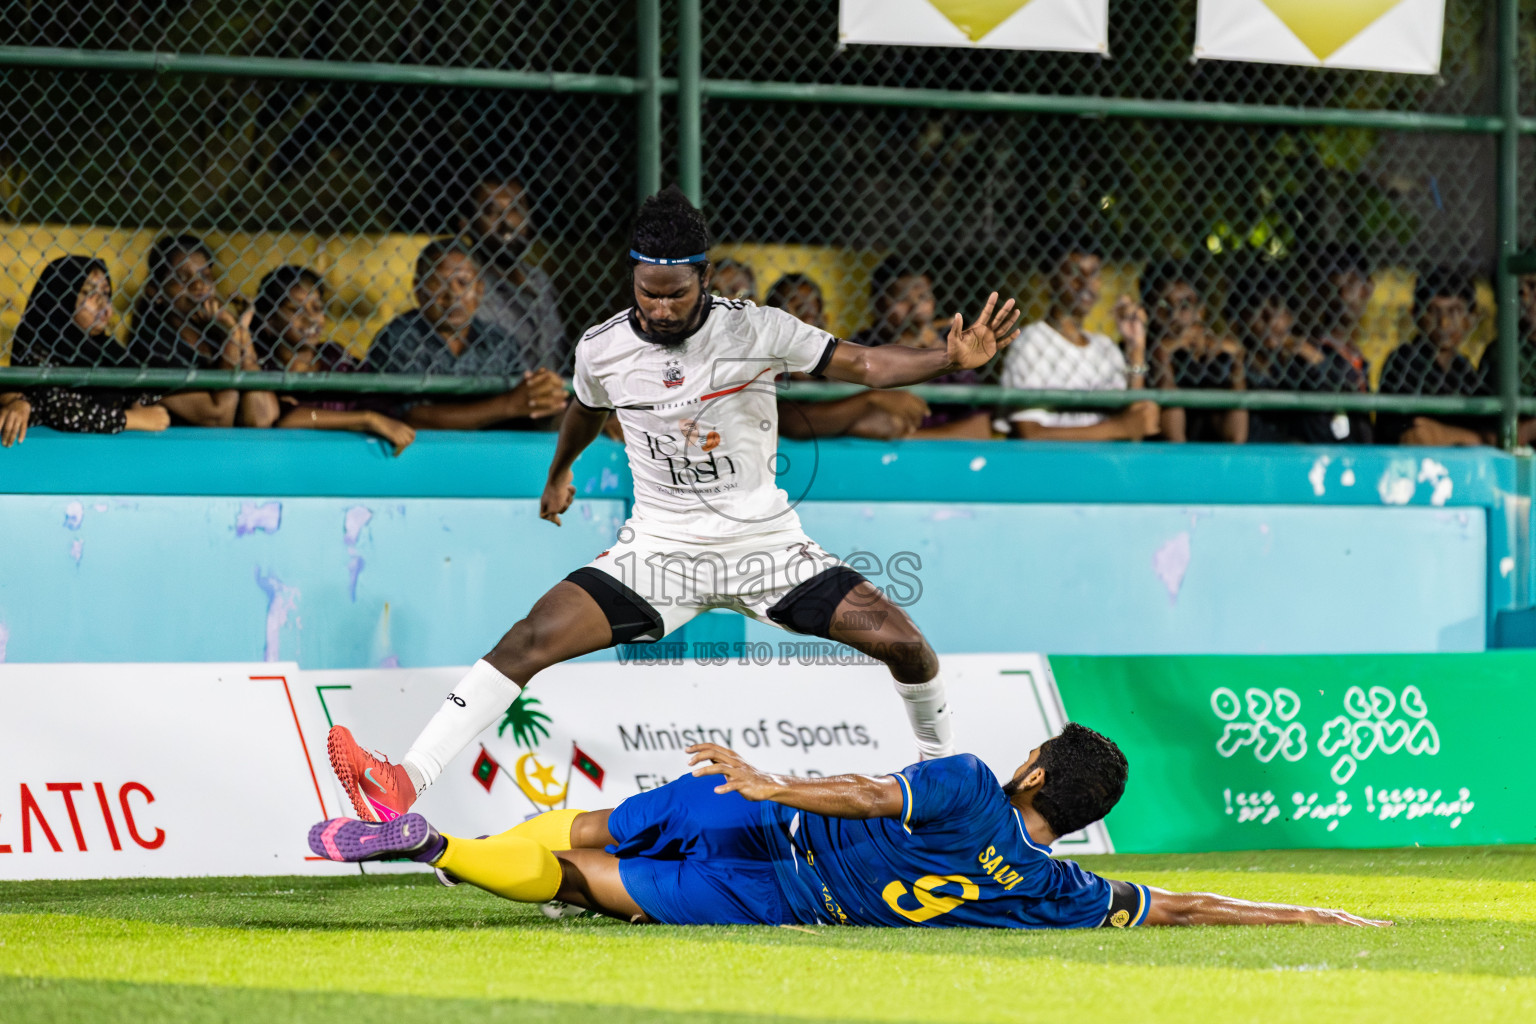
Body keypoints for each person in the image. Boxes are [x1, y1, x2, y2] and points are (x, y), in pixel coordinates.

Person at [325, 185, 1022, 824]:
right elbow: (584, 409)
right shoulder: (602, 347)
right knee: (529, 640)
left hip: (767, 549)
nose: (659, 308)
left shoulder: (757, 330)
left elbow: (866, 365)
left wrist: (948, 357)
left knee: (905, 643)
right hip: (660, 552)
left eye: (675, 295)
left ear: (705, 280)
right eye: (647, 292)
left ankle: (944, 783)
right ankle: (403, 781)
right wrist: (559, 473)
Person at [308, 723, 1388, 930]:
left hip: (759, 818)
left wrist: (770, 782)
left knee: (578, 827)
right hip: (782, 899)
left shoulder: (968, 780)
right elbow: (1187, 904)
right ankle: (440, 849)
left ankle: (441, 839)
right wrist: (1307, 910)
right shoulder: (1056, 893)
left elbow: (873, 794)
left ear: (1035, 767)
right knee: (583, 883)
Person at [368, 238, 567, 430]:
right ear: (418, 289)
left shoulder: (497, 340)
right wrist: (507, 405)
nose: (453, 294)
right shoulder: (397, 337)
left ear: (480, 290)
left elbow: (526, 406)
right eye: (439, 282)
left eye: (463, 283)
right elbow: (411, 417)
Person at [1001, 238, 1158, 441]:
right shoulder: (1032, 342)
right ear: (1051, 281)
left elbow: (1135, 426)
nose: (1085, 283)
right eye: (1073, 272)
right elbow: (1030, 434)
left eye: (1093, 274)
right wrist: (1119, 428)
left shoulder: (1105, 347)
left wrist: (1136, 348)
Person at [0, 256, 170, 441]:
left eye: (106, 293)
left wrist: (139, 403)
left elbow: (150, 400)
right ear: (62, 297)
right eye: (89, 292)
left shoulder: (107, 349)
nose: (101, 303)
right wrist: (130, 419)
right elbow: (60, 409)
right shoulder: (37, 345)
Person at [254, 265, 416, 455]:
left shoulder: (334, 355)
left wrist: (367, 416)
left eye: (317, 307)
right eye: (296, 309)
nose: (312, 318)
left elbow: (377, 401)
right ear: (270, 321)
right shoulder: (264, 364)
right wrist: (366, 419)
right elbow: (291, 419)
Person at [126, 234, 279, 428]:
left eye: (205, 276)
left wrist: (241, 333)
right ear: (156, 291)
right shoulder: (153, 350)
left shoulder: (216, 339)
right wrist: (233, 338)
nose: (198, 285)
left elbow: (263, 418)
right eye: (182, 277)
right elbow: (218, 416)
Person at [769, 273, 929, 441]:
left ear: (823, 322)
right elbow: (794, 423)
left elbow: (884, 423)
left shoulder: (829, 363)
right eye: (794, 312)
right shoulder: (765, 363)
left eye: (812, 315)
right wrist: (872, 399)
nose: (801, 323)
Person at [850, 257, 994, 439]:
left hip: (942, 453)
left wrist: (939, 350)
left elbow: (980, 429)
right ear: (879, 304)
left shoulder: (948, 345)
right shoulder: (859, 345)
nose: (915, 308)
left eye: (923, 297)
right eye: (903, 299)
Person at [1228, 265, 1368, 445]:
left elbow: (1347, 406)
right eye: (1257, 310)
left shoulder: (1300, 366)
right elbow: (1237, 437)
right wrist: (1237, 363)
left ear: (1290, 317)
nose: (1269, 318)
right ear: (1240, 318)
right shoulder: (1230, 367)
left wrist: (1315, 359)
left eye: (1277, 308)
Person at [458, 175, 570, 374]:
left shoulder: (538, 279)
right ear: (466, 224)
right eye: (492, 212)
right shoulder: (462, 284)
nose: (507, 222)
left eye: (515, 209)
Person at [1378, 266, 1491, 447]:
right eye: (1434, 311)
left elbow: (1490, 436)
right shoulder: (1403, 362)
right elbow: (1416, 435)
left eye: (1454, 311)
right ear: (1416, 314)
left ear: (1470, 318)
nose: (1444, 323)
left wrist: (1443, 433)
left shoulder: (1466, 371)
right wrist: (1473, 438)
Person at [1144, 260, 1247, 444]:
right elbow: (1174, 436)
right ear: (1149, 310)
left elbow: (1237, 436)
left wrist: (1237, 362)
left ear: (1200, 311)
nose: (1173, 315)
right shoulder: (1140, 354)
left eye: (1184, 305)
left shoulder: (1213, 357)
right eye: (1163, 305)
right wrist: (1162, 357)